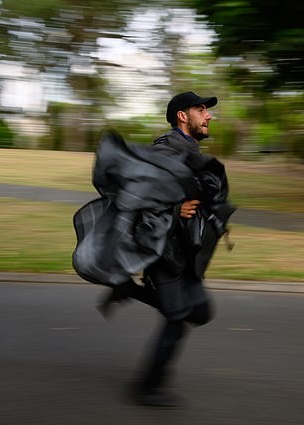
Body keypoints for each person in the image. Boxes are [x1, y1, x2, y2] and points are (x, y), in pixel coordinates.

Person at [92, 91, 235, 407]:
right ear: (183, 116)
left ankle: (130, 290)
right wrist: (174, 211)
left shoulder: (189, 150)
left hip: (185, 255)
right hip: (163, 254)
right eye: (201, 110)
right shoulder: (166, 150)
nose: (208, 115)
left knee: (201, 312)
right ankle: (147, 388)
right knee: (177, 317)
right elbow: (132, 199)